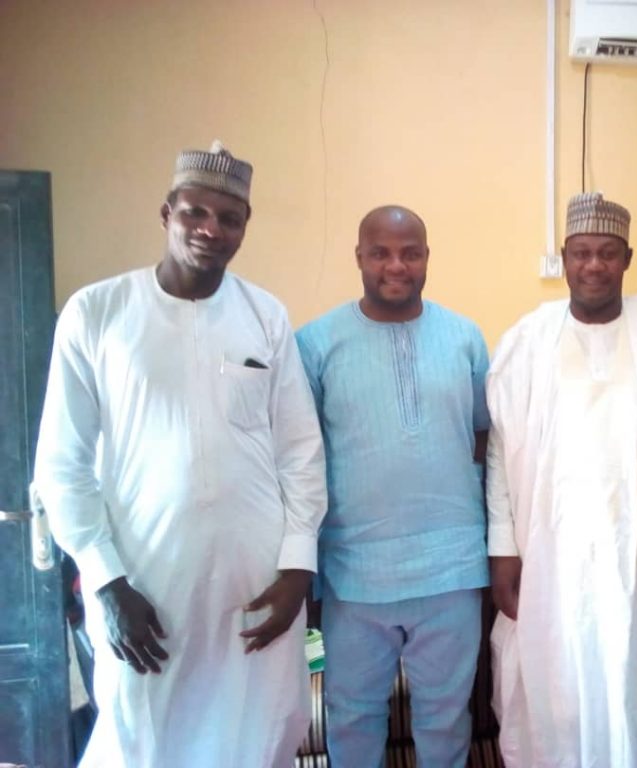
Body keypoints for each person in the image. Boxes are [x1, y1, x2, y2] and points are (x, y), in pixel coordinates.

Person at [33, 142, 327, 768]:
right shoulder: (97, 313)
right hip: (144, 587)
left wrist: (298, 570)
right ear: (167, 212)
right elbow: (62, 464)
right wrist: (106, 582)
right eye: (195, 212)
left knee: (260, 731)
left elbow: (300, 450)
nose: (210, 229)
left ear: (245, 226)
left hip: (256, 585)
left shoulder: (264, 315)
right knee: (143, 737)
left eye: (229, 218)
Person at [486, 192, 637, 767]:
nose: (593, 265)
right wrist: (503, 549)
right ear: (564, 258)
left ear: (628, 258)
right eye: (581, 252)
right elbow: (501, 451)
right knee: (560, 693)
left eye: (607, 252)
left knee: (634, 685)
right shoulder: (528, 341)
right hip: (553, 555)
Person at [296, 205, 490, 767]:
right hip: (353, 576)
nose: (396, 266)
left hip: (452, 571)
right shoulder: (315, 344)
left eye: (410, 253)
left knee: (446, 719)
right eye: (380, 253)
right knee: (351, 719)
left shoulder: (465, 338)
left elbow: (482, 439)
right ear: (359, 256)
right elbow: (301, 460)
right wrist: (306, 573)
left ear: (428, 257)